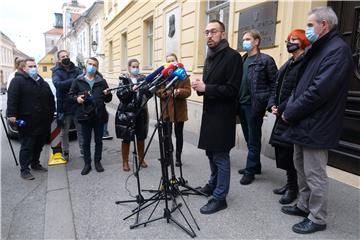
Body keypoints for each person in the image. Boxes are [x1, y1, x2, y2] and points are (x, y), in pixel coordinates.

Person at [281, 7, 353, 234]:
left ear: (325, 25)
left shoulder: (337, 51)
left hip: (318, 123)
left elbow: (318, 91)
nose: (307, 29)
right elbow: (301, 85)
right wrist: (288, 107)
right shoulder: (317, 48)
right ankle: (303, 205)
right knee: (300, 167)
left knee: (315, 173)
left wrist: (290, 112)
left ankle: (318, 217)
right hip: (303, 121)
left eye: (311, 25)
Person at [191, 20, 242, 214]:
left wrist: (207, 88)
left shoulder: (233, 57)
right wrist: (200, 87)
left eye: (213, 32)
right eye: (206, 32)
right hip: (209, 114)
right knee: (210, 153)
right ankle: (213, 185)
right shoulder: (210, 56)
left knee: (221, 156)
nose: (209, 36)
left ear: (223, 34)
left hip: (223, 116)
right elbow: (210, 85)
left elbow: (232, 90)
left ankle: (220, 197)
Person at [267, 29, 310, 204]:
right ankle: (289, 183)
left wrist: (283, 107)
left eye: (294, 39)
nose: (289, 42)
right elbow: (275, 87)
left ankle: (293, 189)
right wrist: (272, 105)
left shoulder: (305, 63)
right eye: (288, 39)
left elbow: (298, 91)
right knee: (283, 152)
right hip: (281, 114)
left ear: (303, 41)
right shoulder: (288, 63)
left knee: (291, 154)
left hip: (292, 115)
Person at [237, 29, 278, 185]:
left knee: (253, 139)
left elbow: (275, 84)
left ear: (256, 41)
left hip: (254, 105)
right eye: (243, 39)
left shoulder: (266, 60)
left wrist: (269, 102)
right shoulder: (243, 59)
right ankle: (255, 165)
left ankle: (250, 171)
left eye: (247, 39)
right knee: (248, 137)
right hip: (241, 104)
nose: (244, 42)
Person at [7, 58, 55, 180]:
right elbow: (12, 99)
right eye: (31, 66)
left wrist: (50, 113)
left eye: (35, 66)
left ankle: (35, 163)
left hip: (43, 120)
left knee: (39, 144)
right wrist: (12, 114)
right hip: (27, 120)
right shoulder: (17, 81)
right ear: (23, 68)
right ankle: (24, 170)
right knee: (27, 146)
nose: (34, 68)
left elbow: (50, 98)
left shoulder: (42, 82)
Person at [69, 57, 112, 175]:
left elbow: (108, 99)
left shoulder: (101, 81)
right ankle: (87, 163)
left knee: (99, 141)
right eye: (90, 64)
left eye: (94, 65)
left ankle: (97, 161)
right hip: (84, 115)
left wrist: (108, 94)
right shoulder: (78, 80)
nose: (92, 66)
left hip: (99, 115)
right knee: (86, 141)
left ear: (97, 67)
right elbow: (70, 95)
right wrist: (76, 98)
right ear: (86, 65)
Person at [157, 53, 191, 167]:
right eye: (168, 61)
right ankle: (168, 157)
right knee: (166, 135)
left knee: (179, 135)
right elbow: (157, 90)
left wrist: (178, 92)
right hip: (166, 109)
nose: (171, 62)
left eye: (173, 60)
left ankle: (178, 157)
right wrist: (165, 93)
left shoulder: (183, 74)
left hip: (179, 110)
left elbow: (188, 91)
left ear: (177, 61)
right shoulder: (163, 75)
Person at [115, 59, 149, 171]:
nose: (135, 68)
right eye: (133, 66)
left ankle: (141, 158)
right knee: (126, 138)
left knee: (141, 137)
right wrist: (131, 90)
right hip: (127, 113)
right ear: (129, 67)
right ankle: (125, 161)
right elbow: (120, 95)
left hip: (141, 112)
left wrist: (147, 89)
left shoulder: (143, 79)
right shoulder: (124, 79)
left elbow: (148, 94)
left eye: (137, 66)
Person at [52, 50, 83, 161]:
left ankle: (83, 151)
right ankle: (65, 153)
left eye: (67, 56)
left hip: (77, 105)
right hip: (64, 107)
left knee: (80, 131)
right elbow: (58, 85)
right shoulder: (56, 71)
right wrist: (74, 80)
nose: (66, 57)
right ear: (59, 59)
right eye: (63, 56)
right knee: (64, 132)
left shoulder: (77, 70)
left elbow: (82, 83)